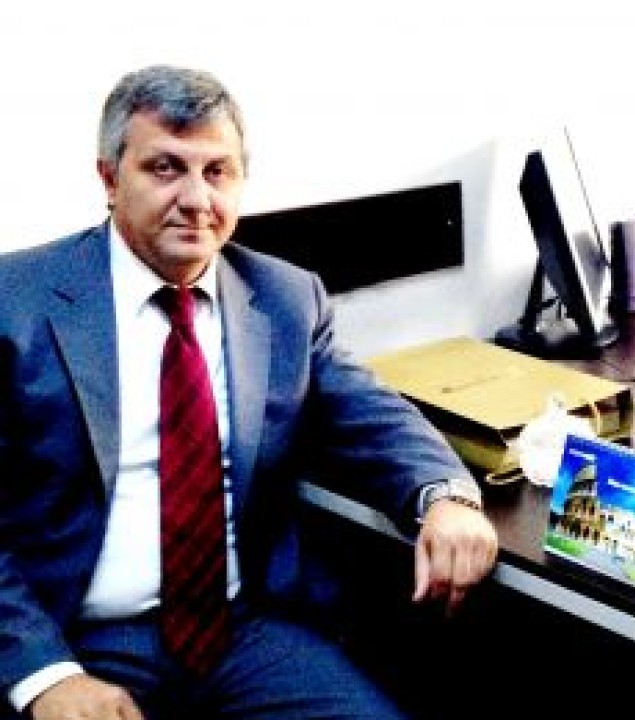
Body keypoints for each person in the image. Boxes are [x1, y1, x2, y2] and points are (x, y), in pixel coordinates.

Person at [0, 65, 499, 719]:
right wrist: (44, 675)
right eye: (165, 168)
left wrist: (445, 496)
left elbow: (370, 414)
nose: (196, 198)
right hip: (77, 638)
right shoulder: (18, 302)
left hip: (245, 634)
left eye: (218, 172)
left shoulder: (285, 297)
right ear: (109, 177)